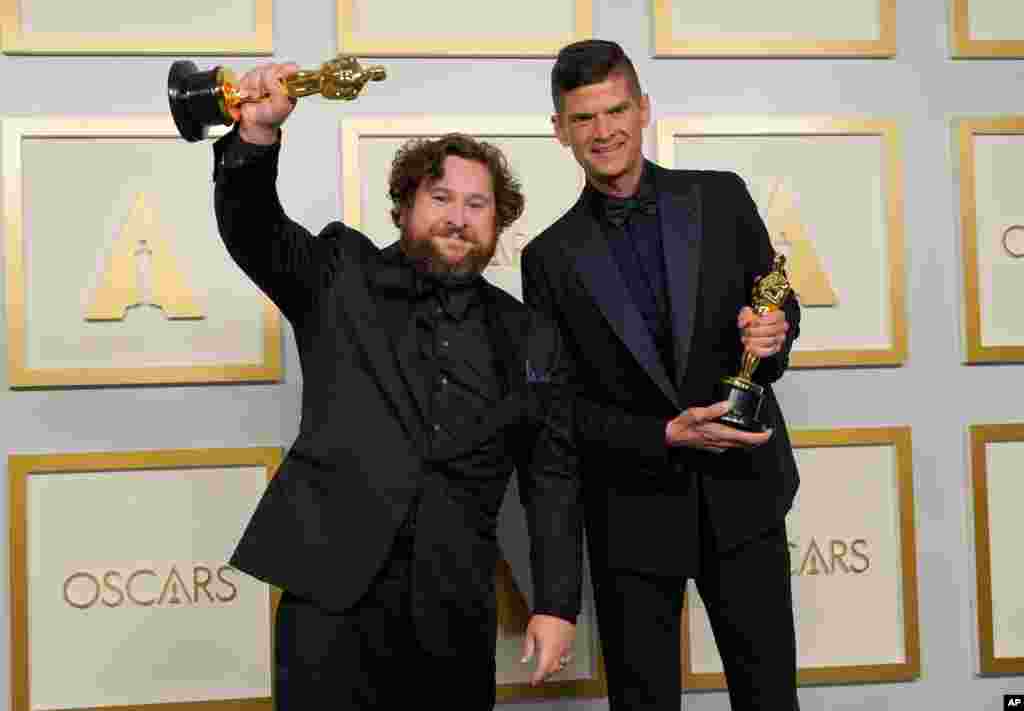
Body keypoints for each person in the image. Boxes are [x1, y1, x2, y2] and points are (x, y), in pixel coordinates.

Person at [215, 62, 581, 710]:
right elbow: (253, 229)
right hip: (330, 604)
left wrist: (555, 603)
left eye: (477, 204)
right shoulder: (338, 274)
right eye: (440, 198)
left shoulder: (530, 335)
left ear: (499, 224)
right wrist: (256, 139)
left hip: (453, 616)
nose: (458, 218)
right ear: (403, 206)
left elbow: (550, 474)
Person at [522, 40, 801, 710]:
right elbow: (559, 414)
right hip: (634, 515)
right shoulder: (548, 258)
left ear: (644, 109)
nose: (604, 131)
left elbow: (774, 304)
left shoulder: (721, 197)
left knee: (770, 700)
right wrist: (664, 434)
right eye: (583, 118)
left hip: (745, 497)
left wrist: (774, 330)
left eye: (616, 109)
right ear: (559, 131)